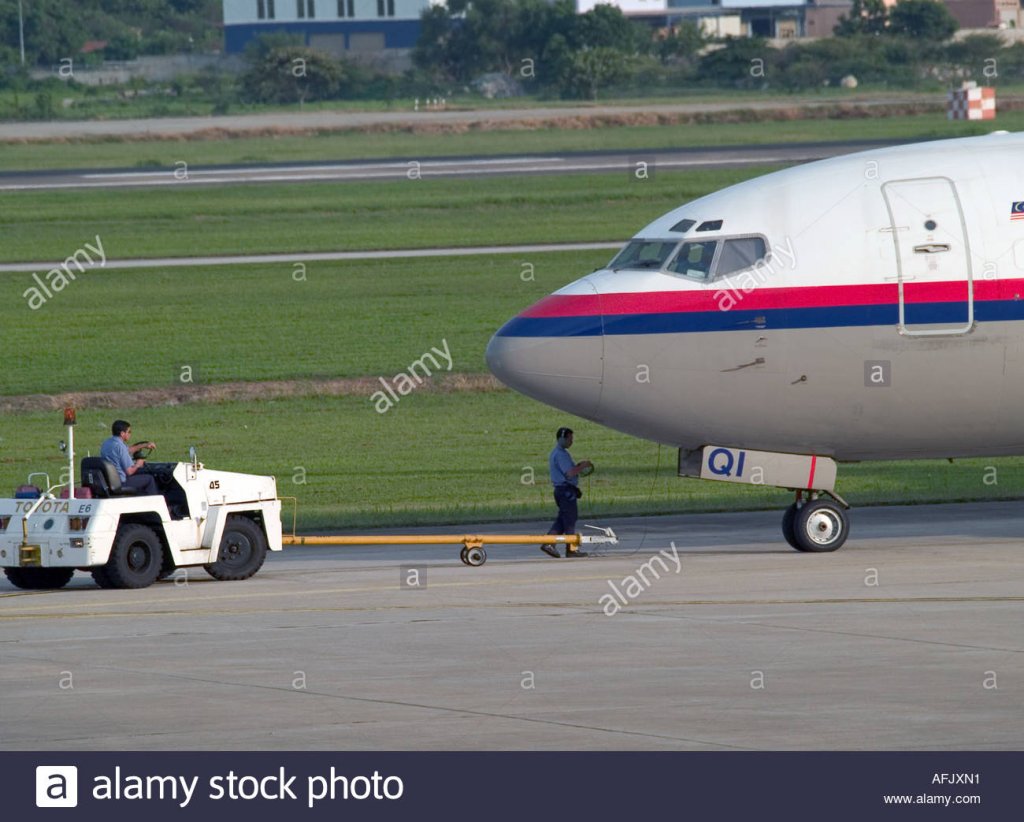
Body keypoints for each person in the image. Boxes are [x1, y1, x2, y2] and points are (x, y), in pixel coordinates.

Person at [540, 427, 593, 558]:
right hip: (565, 492)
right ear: (562, 438)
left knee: (563, 519)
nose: (571, 441)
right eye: (570, 438)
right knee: (569, 519)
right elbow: (569, 473)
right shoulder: (561, 455)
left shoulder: (556, 453)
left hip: (562, 491)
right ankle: (571, 549)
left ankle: (548, 542)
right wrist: (583, 466)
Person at [99, 419, 159, 495]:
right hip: (121, 482)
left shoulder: (107, 443)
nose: (130, 434)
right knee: (149, 479)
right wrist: (138, 463)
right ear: (122, 433)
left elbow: (128, 450)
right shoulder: (120, 447)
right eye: (129, 432)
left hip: (109, 480)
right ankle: (155, 505)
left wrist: (144, 445)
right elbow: (129, 471)